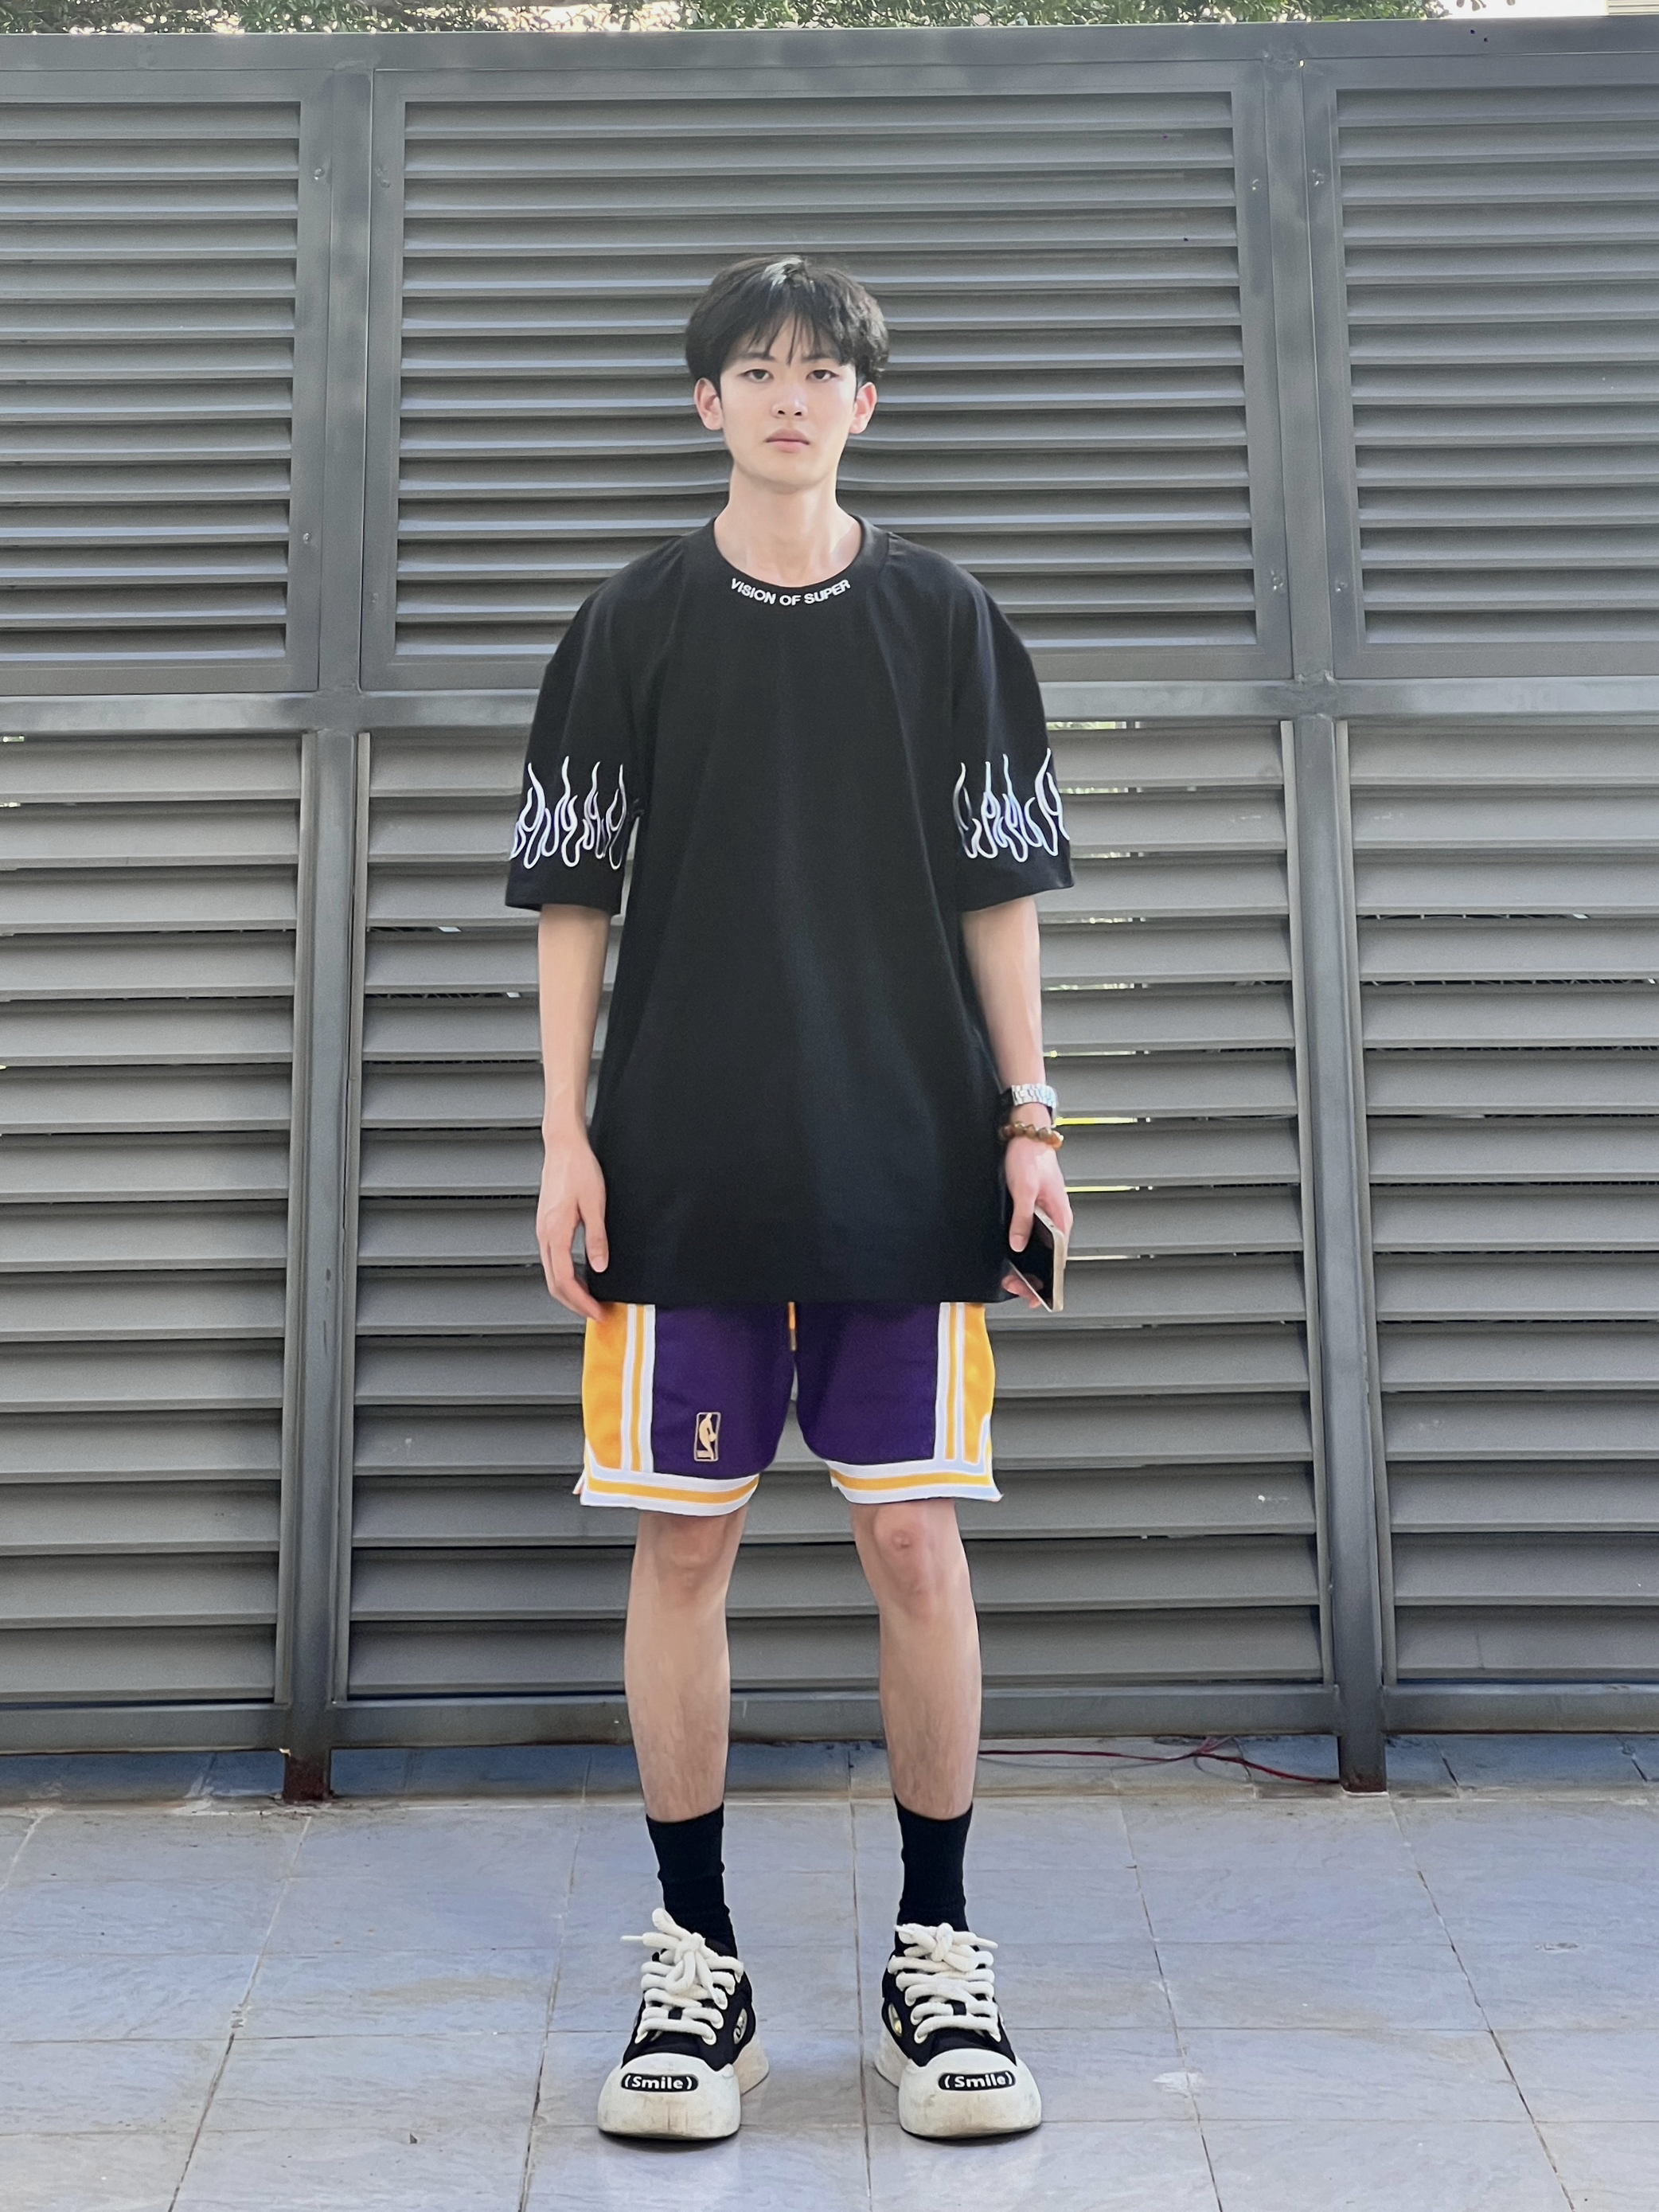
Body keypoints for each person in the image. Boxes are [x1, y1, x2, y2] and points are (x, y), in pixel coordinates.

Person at [506, 254, 1072, 2145]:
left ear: (863, 406)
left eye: (819, 371)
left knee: (912, 1541)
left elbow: (999, 889)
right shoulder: (629, 622)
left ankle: (935, 1961)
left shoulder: (948, 619)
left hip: (905, 1152)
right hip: (682, 1159)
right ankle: (698, 1970)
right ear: (705, 404)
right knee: (684, 1550)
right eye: (752, 369)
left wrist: (1030, 1118)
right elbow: (572, 896)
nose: (786, 395)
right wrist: (565, 1135)